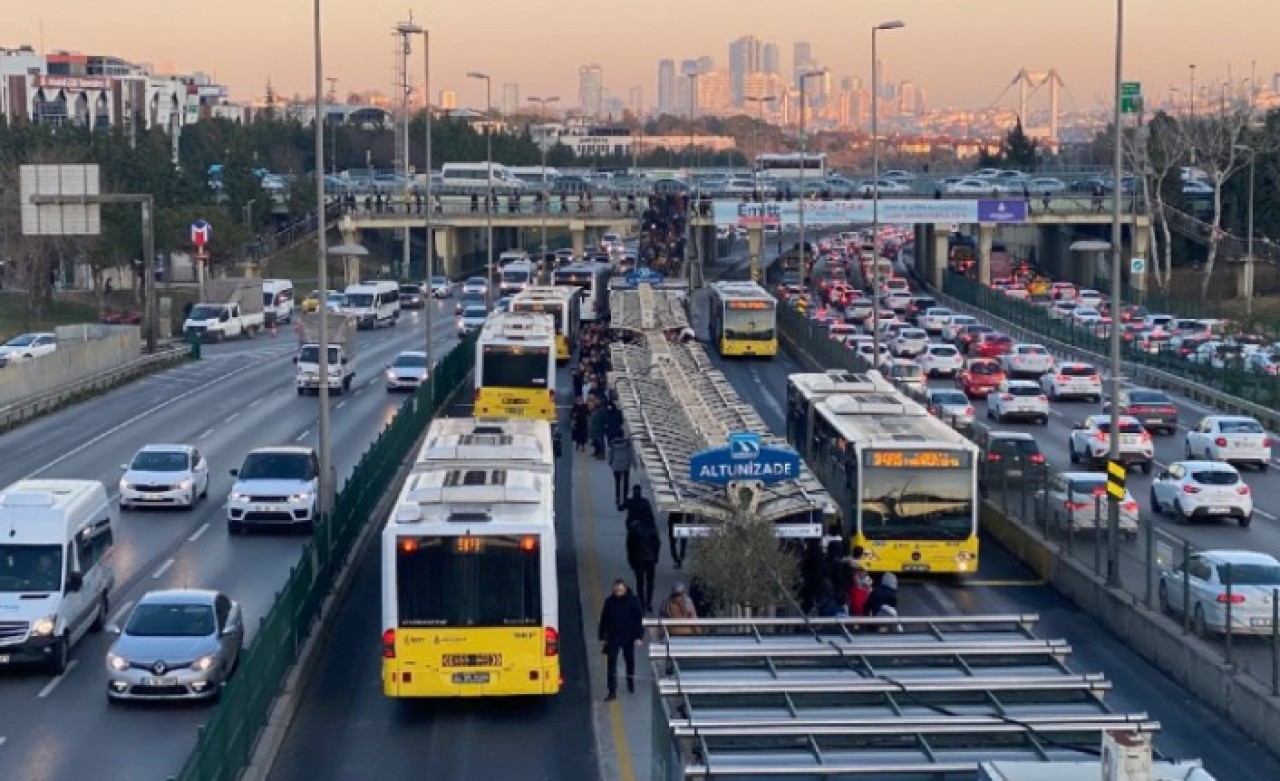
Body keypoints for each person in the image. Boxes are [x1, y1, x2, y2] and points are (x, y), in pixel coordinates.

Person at [598, 579, 645, 701]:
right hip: (613, 637)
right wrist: (602, 636)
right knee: (611, 664)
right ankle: (612, 690)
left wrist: (639, 636)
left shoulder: (633, 601)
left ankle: (630, 681)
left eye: (620, 590)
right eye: (616, 590)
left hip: (628, 637)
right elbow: (604, 620)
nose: (618, 592)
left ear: (625, 589)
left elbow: (638, 620)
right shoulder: (609, 602)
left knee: (629, 661)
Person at [624, 490, 662, 612]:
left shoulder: (634, 529)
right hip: (650, 558)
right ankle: (649, 602)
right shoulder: (652, 528)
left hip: (638, 559)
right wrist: (656, 556)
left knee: (640, 581)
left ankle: (641, 602)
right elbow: (657, 543)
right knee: (650, 581)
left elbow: (629, 546)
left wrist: (630, 559)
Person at [607, 435, 633, 504]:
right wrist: (632, 463)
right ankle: (625, 497)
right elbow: (630, 454)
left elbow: (610, 454)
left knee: (617, 482)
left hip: (616, 466)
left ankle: (618, 498)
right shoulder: (627, 444)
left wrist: (610, 462)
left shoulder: (612, 444)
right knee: (626, 482)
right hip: (625, 466)